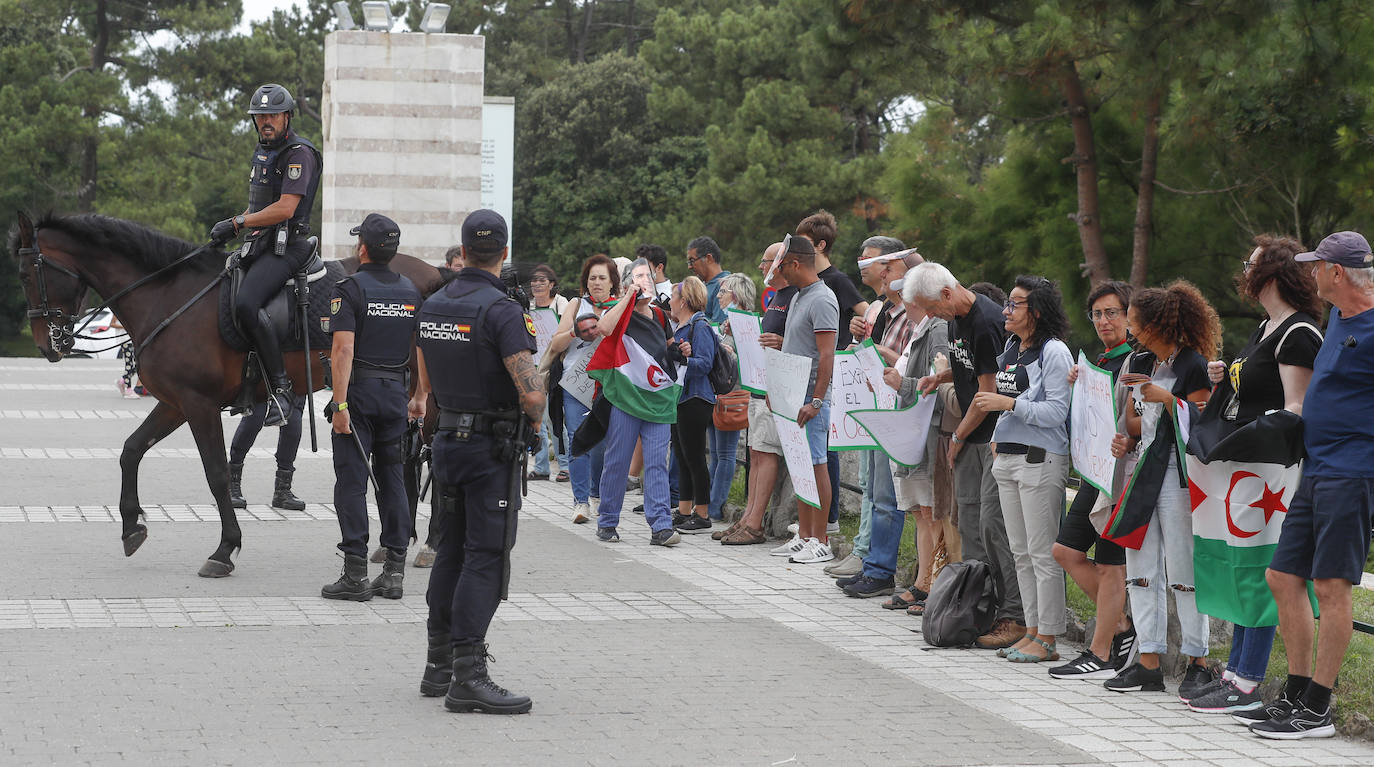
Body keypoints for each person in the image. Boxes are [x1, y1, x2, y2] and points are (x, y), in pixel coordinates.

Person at [1185, 236, 1322, 716]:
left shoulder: (1298, 333)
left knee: (1264, 569)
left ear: (1273, 273)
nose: (1246, 269)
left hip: (1271, 470)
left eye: (1253, 263)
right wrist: (1227, 378)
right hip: (1244, 467)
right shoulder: (1267, 326)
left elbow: (1296, 408)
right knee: (1242, 566)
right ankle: (1234, 672)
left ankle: (1248, 681)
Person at [413, 209, 540, 715]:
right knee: (485, 554)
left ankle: (437, 663)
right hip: (491, 447)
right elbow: (531, 394)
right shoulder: (504, 310)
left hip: (447, 441)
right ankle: (469, 674)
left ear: (462, 251)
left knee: (450, 550)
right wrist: (537, 416)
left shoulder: (434, 304)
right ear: (504, 253)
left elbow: (425, 376)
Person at [1256, 231, 1374, 739]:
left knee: (1331, 586)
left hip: (1352, 472)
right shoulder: (1337, 321)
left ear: (1337, 273)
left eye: (1317, 265)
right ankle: (1295, 692)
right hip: (1317, 468)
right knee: (1282, 578)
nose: (1311, 273)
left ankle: (1319, 709)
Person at [1103, 280, 1218, 694]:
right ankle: (1147, 659)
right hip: (1146, 470)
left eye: (1134, 322)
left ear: (1156, 323)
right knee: (1141, 562)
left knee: (1183, 565)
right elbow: (1138, 422)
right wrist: (1127, 437)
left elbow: (1206, 424)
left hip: (1179, 474)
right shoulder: (1147, 362)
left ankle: (1198, 659)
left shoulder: (1192, 365)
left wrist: (1166, 399)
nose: (1130, 330)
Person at [908, 262, 1025, 649]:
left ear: (946, 293)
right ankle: (976, 609)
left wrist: (957, 435)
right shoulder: (955, 318)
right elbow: (966, 369)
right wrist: (938, 377)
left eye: (931, 307)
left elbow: (986, 393)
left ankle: (1013, 613)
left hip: (988, 438)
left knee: (993, 527)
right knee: (969, 524)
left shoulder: (986, 321)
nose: (930, 316)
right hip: (971, 441)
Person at [971, 276, 1073, 663]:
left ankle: (1048, 637)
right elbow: (1009, 396)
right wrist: (999, 432)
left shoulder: (1054, 352)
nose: (1005, 311)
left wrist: (1008, 407)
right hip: (1009, 457)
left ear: (1037, 310)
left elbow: (1056, 413)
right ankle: (1031, 631)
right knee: (1020, 552)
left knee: (1043, 553)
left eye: (1015, 304)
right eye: (1007, 303)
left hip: (1040, 458)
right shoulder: (1013, 346)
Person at [320, 213, 420, 601]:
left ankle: (356, 574)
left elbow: (343, 348)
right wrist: (421, 396)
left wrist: (340, 403)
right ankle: (393, 573)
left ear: (362, 248)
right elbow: (420, 347)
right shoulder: (411, 291)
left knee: (351, 482)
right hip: (396, 394)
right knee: (393, 478)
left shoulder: (348, 289)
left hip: (358, 394)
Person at [209, 83, 321, 428]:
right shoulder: (263, 151)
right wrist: (236, 225)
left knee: (246, 303)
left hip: (289, 246)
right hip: (262, 242)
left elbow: (286, 208)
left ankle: (283, 389)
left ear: (287, 117)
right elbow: (260, 205)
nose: (266, 122)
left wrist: (238, 222)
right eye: (260, 117)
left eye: (272, 115)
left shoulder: (299, 153)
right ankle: (246, 384)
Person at [1048, 280, 1139, 680]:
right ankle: (1120, 626)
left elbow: (1139, 422)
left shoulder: (1137, 361)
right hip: (1094, 474)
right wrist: (1077, 385)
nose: (1104, 321)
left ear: (1130, 315)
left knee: (1109, 565)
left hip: (1121, 480)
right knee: (1065, 551)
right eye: (1097, 314)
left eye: (1112, 312)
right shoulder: (1099, 362)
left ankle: (1100, 652)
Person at [836, 240, 925, 597]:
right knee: (873, 491)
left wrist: (876, 350)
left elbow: (905, 363)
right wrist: (862, 341)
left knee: (887, 497)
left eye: (887, 268)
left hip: (895, 413)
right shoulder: (885, 312)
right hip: (878, 409)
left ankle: (881, 570)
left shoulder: (915, 316)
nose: (882, 274)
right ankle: (872, 564)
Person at [590, 258, 680, 546]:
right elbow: (603, 328)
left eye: (648, 277)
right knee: (617, 462)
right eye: (638, 277)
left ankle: (661, 526)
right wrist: (628, 297)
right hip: (627, 399)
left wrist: (681, 349)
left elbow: (666, 350)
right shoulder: (622, 313)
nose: (645, 282)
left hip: (658, 401)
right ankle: (607, 521)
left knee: (657, 463)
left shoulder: (662, 316)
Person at [879, 276, 950, 613]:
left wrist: (901, 383)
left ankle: (932, 585)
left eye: (906, 296)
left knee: (931, 511)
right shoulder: (922, 327)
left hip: (928, 433)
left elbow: (935, 385)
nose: (902, 303)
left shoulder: (936, 329)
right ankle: (923, 582)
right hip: (915, 431)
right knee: (921, 512)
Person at [795, 210, 868, 534]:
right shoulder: (805, 287)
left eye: (805, 243)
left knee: (824, 452)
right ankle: (812, 523)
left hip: (826, 373)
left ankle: (830, 519)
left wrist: (856, 337)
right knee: (812, 454)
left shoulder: (836, 282)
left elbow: (868, 312)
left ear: (821, 245)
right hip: (808, 371)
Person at [715, 242, 793, 545]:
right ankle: (748, 517)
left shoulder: (793, 297)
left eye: (767, 262)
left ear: (783, 264)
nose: (761, 267)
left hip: (774, 389)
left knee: (765, 452)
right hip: (759, 388)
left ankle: (755, 522)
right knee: (756, 453)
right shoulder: (777, 299)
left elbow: (798, 342)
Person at [769, 237, 838, 564]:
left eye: (781, 265)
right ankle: (807, 534)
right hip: (792, 396)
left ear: (796, 264)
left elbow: (827, 356)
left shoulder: (823, 299)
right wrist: (778, 392)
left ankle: (821, 539)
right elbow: (792, 348)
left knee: (816, 464)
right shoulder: (799, 297)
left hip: (810, 399)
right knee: (801, 466)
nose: (778, 272)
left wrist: (817, 400)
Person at [543, 254, 618, 523]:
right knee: (577, 440)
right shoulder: (576, 305)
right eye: (592, 277)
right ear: (585, 281)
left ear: (612, 282)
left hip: (608, 385)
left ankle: (597, 494)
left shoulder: (618, 307)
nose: (596, 282)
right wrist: (575, 331)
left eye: (602, 278)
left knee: (602, 443)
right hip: (575, 385)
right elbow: (556, 344)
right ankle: (580, 501)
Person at [706, 272, 757, 521]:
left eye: (723, 292)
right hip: (723, 395)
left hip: (732, 395)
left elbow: (746, 361)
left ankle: (713, 506)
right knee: (717, 453)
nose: (718, 296)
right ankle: (709, 503)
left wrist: (722, 350)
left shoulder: (742, 323)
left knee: (724, 454)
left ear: (735, 295)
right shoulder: (731, 322)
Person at [669, 276, 718, 535]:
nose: (670, 301)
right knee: (683, 456)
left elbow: (705, 363)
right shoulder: (681, 327)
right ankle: (685, 509)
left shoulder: (699, 326)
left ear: (684, 301)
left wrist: (685, 360)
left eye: (674, 297)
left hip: (695, 398)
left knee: (695, 456)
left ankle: (702, 513)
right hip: (681, 398)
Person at [226, 394, 307, 511]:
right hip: (263, 377)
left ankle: (283, 489)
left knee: (293, 423)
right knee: (254, 419)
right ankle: (232, 482)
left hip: (293, 379)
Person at [527, 263, 569, 481]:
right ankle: (541, 466)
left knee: (555, 418)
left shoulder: (562, 304)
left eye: (542, 280)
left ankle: (565, 465)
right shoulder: (530, 306)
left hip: (555, 367)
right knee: (538, 419)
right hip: (534, 367)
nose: (537, 284)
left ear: (552, 284)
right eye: (534, 280)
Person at [685, 236, 730, 323]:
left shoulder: (725, 285)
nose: (689, 267)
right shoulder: (702, 286)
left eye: (692, 261)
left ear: (709, 258)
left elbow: (719, 327)